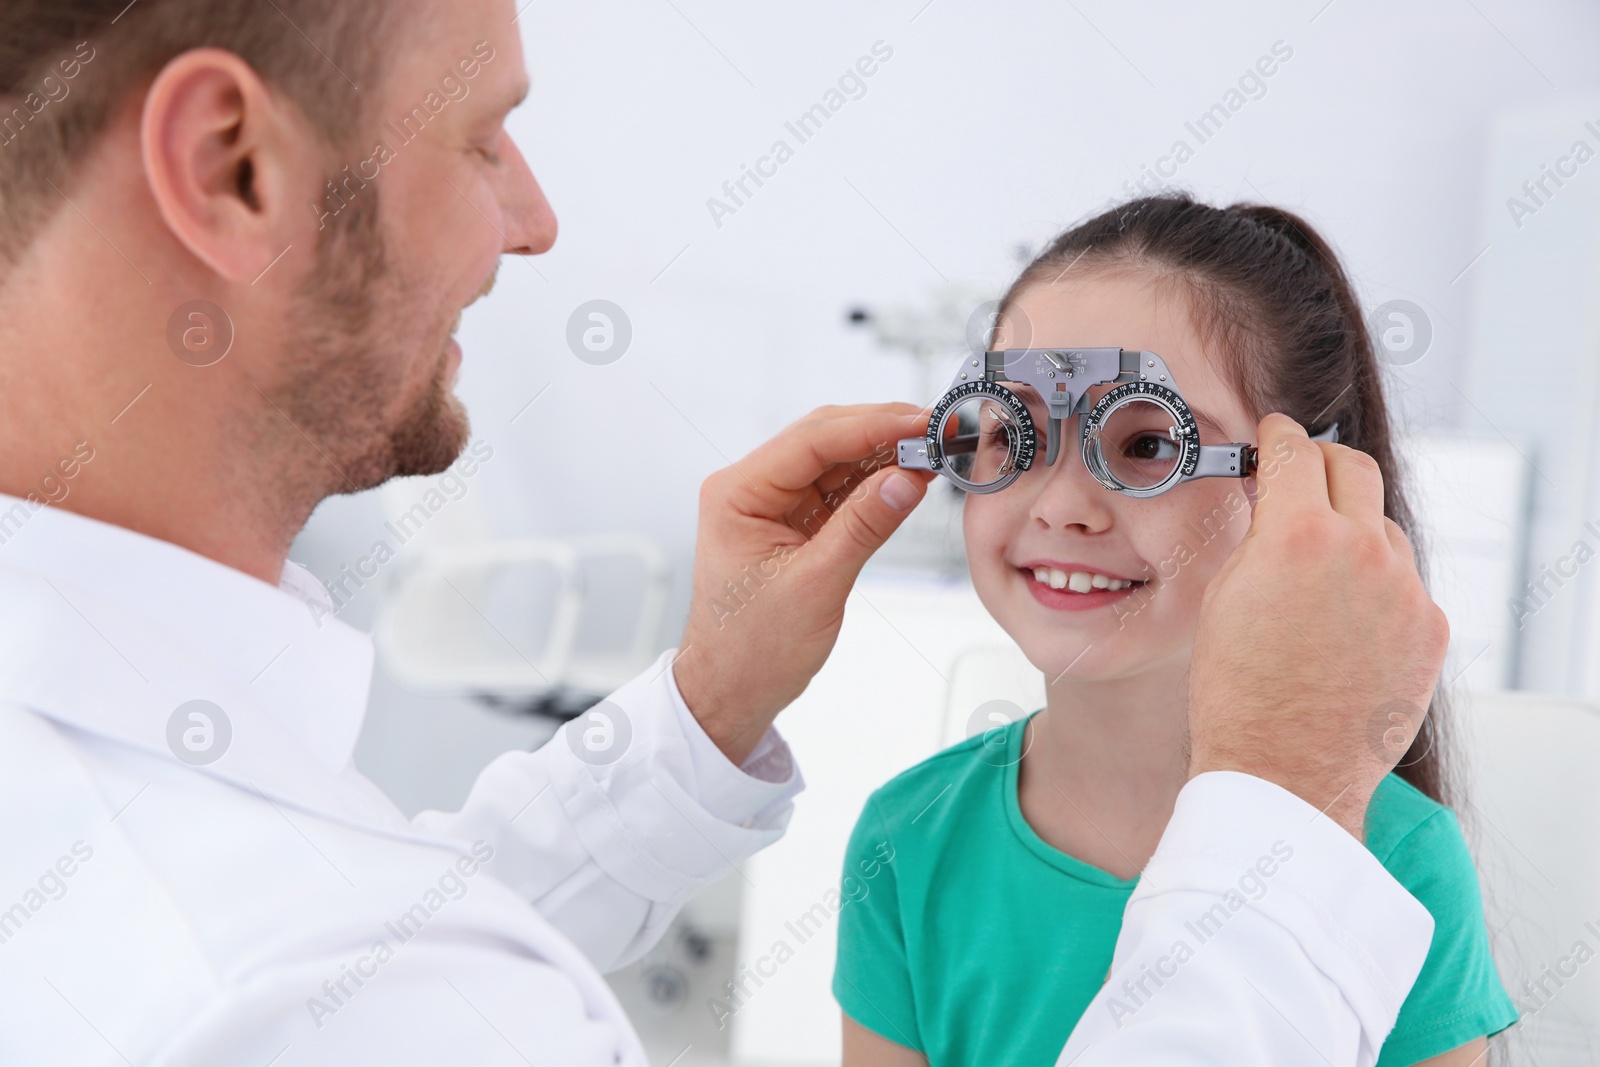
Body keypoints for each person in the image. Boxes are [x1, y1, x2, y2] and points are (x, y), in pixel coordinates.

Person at [0, 1, 1452, 1064]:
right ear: (235, 163)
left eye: (1138, 443)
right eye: (482, 135)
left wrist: (704, 704)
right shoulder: (321, 984)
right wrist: (1278, 842)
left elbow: (370, 933)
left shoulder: (199, 872)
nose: (537, 218)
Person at [832, 195, 1519, 1067]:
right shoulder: (911, 837)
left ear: (1298, 487)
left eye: (1149, 445)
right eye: (1014, 431)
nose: (1062, 505)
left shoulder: (1397, 863)